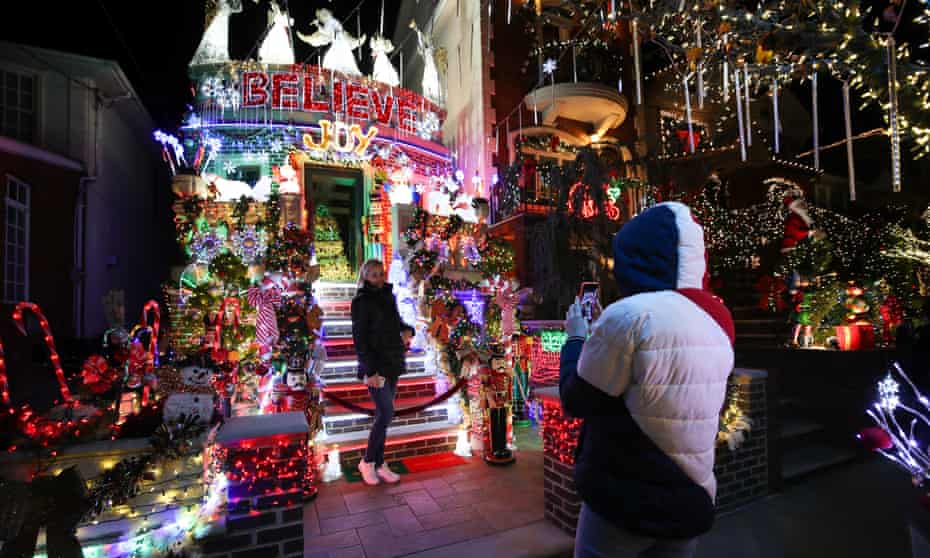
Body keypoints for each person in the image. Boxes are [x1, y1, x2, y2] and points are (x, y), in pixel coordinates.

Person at [560, 202, 735, 558]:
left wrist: (577, 338)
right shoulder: (718, 320)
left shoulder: (628, 315)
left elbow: (577, 398)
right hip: (691, 497)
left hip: (623, 499)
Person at [351, 259, 415, 485]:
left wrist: (408, 329)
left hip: (392, 361)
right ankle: (367, 461)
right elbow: (360, 339)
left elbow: (397, 322)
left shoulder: (388, 296)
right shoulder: (361, 301)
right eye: (373, 274)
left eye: (381, 273)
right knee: (386, 413)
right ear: (365, 276)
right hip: (375, 366)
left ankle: (379, 463)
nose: (378, 278)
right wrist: (370, 371)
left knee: (384, 415)